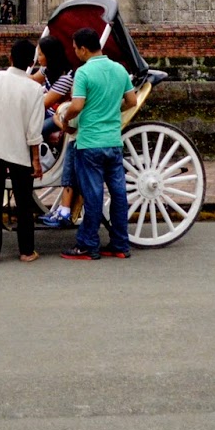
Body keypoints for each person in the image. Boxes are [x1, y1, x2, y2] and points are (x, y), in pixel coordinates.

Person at [59, 27, 137, 261]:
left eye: (75, 49)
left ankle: (87, 244)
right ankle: (120, 244)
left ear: (84, 49)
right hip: (113, 141)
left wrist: (65, 119)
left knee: (93, 195)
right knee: (119, 194)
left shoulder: (83, 72)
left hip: (90, 142)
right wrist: (113, 109)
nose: (75, 52)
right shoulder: (119, 69)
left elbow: (77, 106)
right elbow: (131, 101)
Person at [0, 39, 46, 264]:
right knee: (24, 203)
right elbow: (34, 130)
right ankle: (26, 251)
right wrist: (36, 159)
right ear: (31, 63)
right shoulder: (35, 89)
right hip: (21, 152)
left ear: (10, 58)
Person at [35, 36, 79, 228]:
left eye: (40, 54)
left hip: (58, 117)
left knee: (35, 130)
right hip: (48, 112)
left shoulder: (65, 78)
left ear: (49, 56)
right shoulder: (46, 70)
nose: (38, 57)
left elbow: (43, 103)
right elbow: (31, 79)